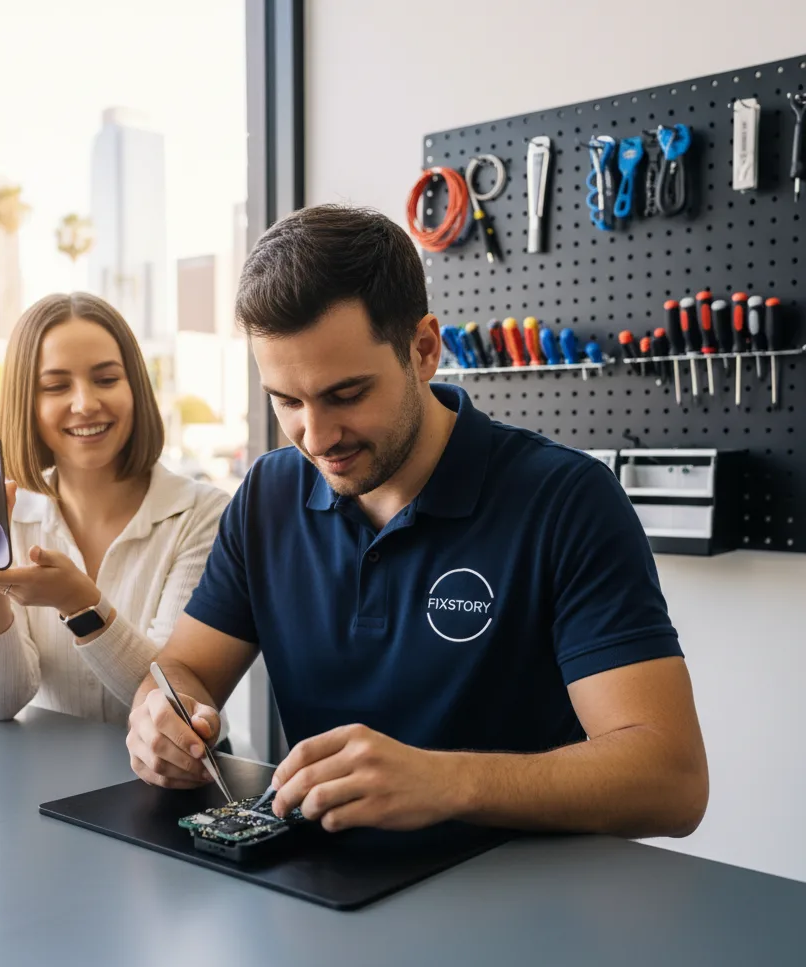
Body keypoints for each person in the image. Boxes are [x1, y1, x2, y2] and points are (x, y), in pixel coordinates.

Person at [125, 205, 710, 838]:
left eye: (347, 394)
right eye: (287, 401)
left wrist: (447, 782)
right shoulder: (267, 493)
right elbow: (181, 671)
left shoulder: (567, 500)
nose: (316, 437)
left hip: (520, 907)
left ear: (424, 349)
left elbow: (670, 781)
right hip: (321, 894)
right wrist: (163, 716)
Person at [0, 293, 230, 729]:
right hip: (50, 786)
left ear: (134, 388)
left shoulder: (202, 515)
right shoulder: (13, 517)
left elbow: (175, 704)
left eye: (106, 379)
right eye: (56, 386)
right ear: (27, 402)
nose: (85, 403)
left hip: (174, 785)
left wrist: (79, 603)